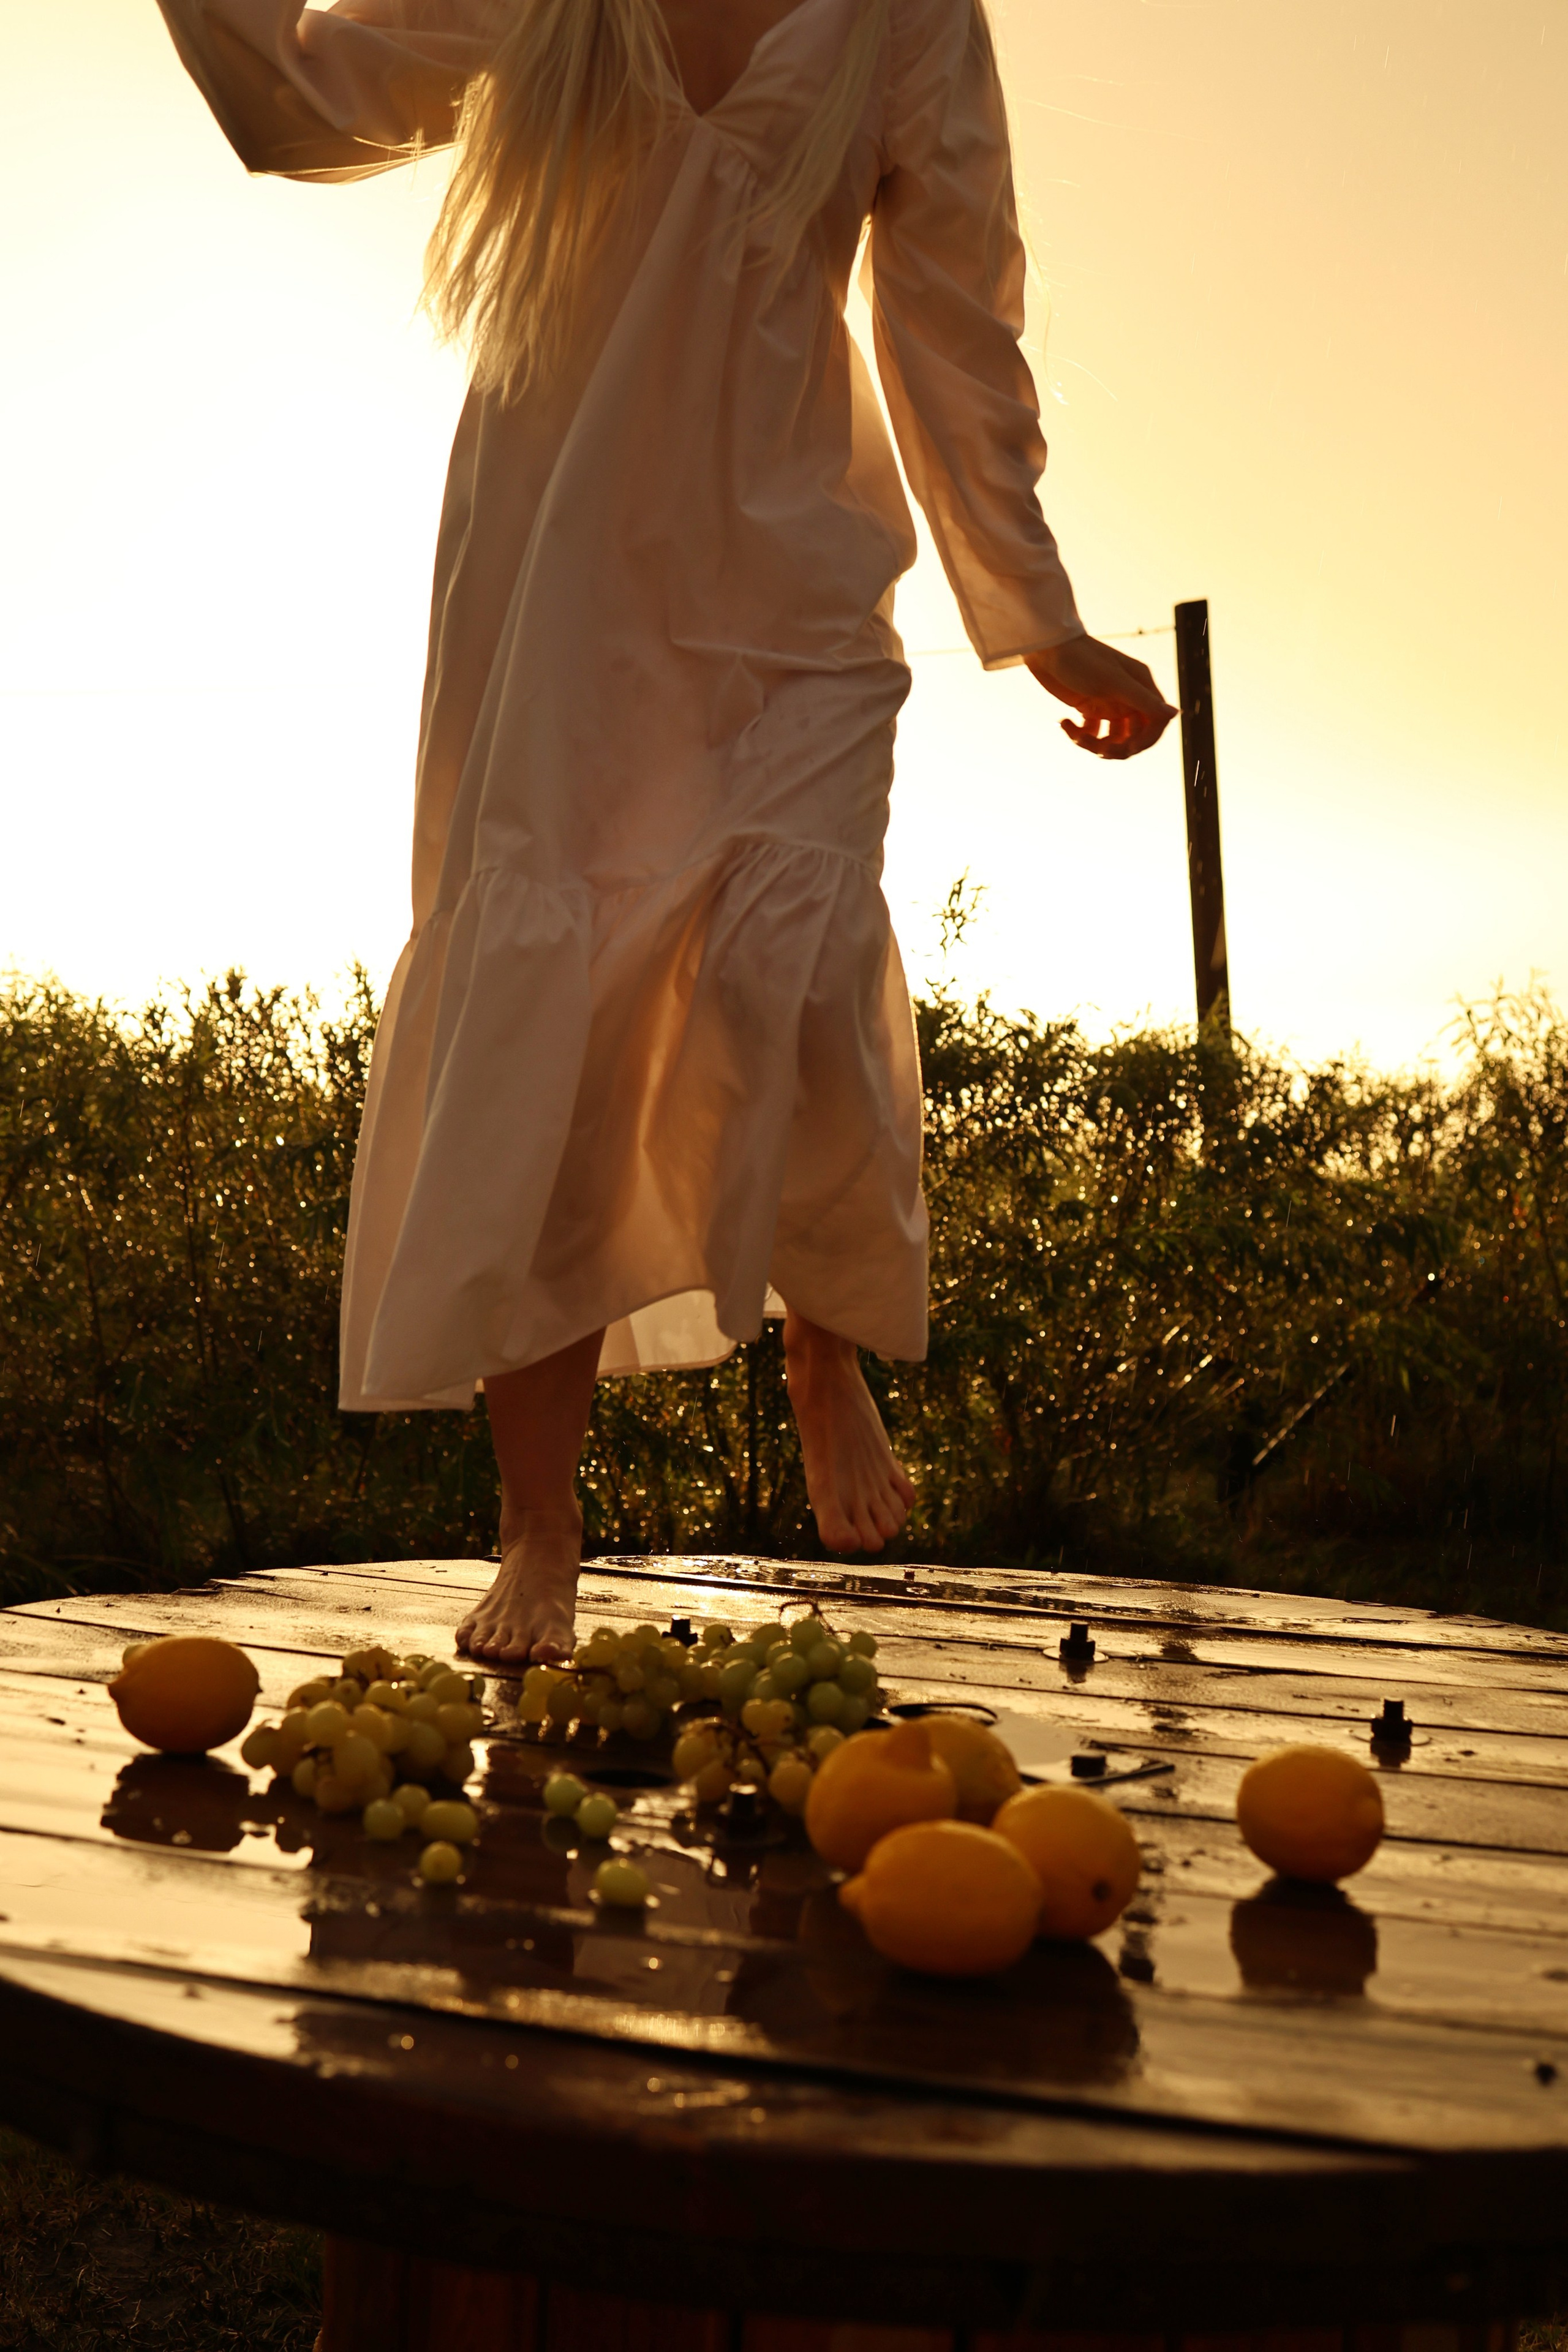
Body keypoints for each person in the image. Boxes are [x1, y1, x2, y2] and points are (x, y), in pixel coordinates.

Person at [157, 0, 1175, 1666]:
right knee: (559, 1026)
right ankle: (541, 1522)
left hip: (794, 566)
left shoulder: (909, 17)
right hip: (564, 574)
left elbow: (952, 315)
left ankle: (821, 1336)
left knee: (805, 932)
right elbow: (302, 98)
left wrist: (1039, 617)